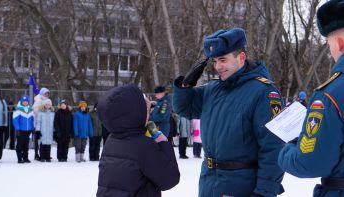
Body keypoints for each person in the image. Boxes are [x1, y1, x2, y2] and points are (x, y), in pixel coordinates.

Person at [173, 27, 285, 196]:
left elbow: (273, 147)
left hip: (241, 186)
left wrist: (264, 192)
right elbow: (184, 109)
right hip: (209, 183)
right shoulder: (212, 89)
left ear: (241, 57)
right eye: (215, 61)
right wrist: (186, 85)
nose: (218, 66)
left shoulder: (264, 92)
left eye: (223, 60)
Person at [278, 1, 344, 196]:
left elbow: (310, 163)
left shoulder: (331, 94)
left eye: (328, 43)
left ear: (339, 44)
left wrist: (286, 150)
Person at [96, 84, 180, 197]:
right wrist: (164, 144)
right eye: (146, 112)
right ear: (135, 114)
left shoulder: (111, 141)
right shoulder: (144, 146)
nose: (148, 116)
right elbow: (169, 179)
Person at [13, 95, 34, 163]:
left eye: (26, 101)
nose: (25, 103)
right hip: (21, 131)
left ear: (28, 102)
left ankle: (25, 158)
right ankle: (19, 159)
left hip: (28, 131)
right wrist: (17, 129)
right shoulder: (18, 110)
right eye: (24, 101)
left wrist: (33, 128)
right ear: (21, 102)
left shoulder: (30, 110)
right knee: (19, 145)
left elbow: (33, 120)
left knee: (26, 145)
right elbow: (15, 120)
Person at [32, 87, 50, 160]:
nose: (47, 94)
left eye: (48, 93)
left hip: (44, 124)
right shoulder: (39, 100)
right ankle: (37, 154)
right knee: (38, 139)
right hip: (37, 123)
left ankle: (44, 154)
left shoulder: (46, 100)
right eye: (46, 93)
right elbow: (36, 112)